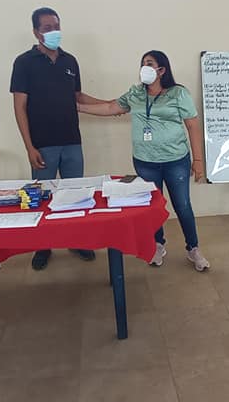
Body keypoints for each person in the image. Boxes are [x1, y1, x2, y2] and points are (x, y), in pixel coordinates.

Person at [77, 50, 210, 271]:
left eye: (149, 63)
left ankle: (193, 248)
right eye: (142, 64)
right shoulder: (136, 93)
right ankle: (158, 245)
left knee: (183, 205)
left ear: (162, 70)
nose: (144, 68)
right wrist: (79, 107)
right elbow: (111, 107)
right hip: (145, 161)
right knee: (152, 206)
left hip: (176, 160)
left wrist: (198, 161)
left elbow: (193, 125)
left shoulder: (178, 93)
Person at [10, 7, 108, 270]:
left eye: (56, 26)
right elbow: (19, 107)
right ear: (36, 32)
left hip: (72, 141)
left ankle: (76, 241)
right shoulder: (24, 62)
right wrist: (29, 147)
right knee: (44, 197)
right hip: (42, 144)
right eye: (47, 28)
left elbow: (78, 97)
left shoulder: (70, 61)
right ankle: (43, 246)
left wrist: (110, 105)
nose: (54, 32)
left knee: (76, 194)